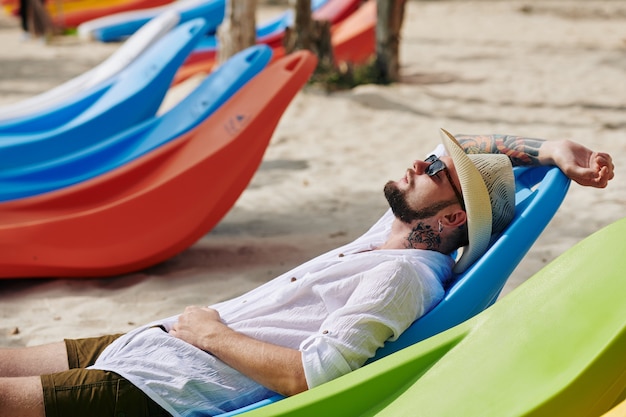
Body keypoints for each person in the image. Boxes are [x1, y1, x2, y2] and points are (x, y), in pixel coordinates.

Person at [0, 130, 614, 417]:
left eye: (434, 167)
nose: (418, 160)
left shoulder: (406, 278)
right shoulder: (395, 231)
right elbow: (475, 139)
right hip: (156, 342)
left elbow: (309, 377)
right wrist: (548, 151)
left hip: (162, 388)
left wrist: (209, 332)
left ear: (453, 215)